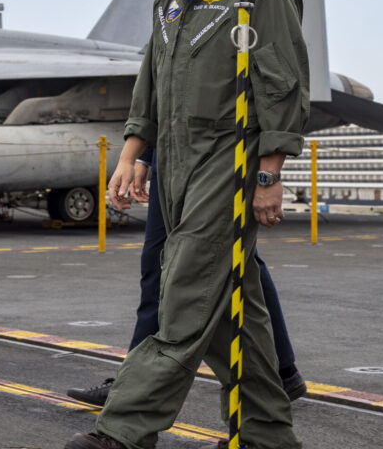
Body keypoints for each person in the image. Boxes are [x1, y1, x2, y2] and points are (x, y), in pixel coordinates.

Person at [65, 0, 308, 449]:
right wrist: (132, 156)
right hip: (174, 169)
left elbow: (284, 86)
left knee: (183, 298)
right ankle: (268, 436)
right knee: (233, 312)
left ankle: (122, 432)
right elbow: (150, 85)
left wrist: (270, 173)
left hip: (230, 163)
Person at [66, 151, 305, 406]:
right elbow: (152, 109)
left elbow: (276, 114)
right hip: (169, 156)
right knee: (161, 264)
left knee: (238, 262)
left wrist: (268, 176)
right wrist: (140, 157)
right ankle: (282, 373)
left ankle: (133, 384)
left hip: (215, 157)